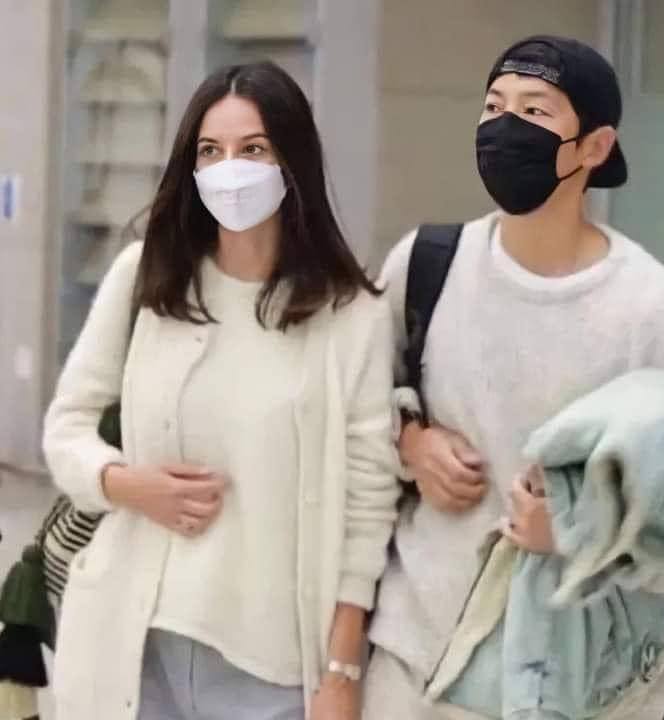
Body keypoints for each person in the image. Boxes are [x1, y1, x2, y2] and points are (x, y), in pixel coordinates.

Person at [363, 35, 664, 720]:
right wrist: (411, 443)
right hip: (408, 672)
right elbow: (352, 414)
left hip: (570, 691)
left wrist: (580, 532)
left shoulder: (654, 314)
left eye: (534, 110)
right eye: (494, 107)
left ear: (595, 146)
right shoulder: (426, 264)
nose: (505, 128)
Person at [43, 61, 399, 720]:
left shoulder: (352, 316)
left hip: (272, 668)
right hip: (135, 647)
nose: (229, 169)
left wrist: (343, 668)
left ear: (292, 162)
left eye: (253, 149)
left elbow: (369, 502)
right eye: (211, 151)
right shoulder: (146, 278)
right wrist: (126, 484)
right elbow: (66, 429)